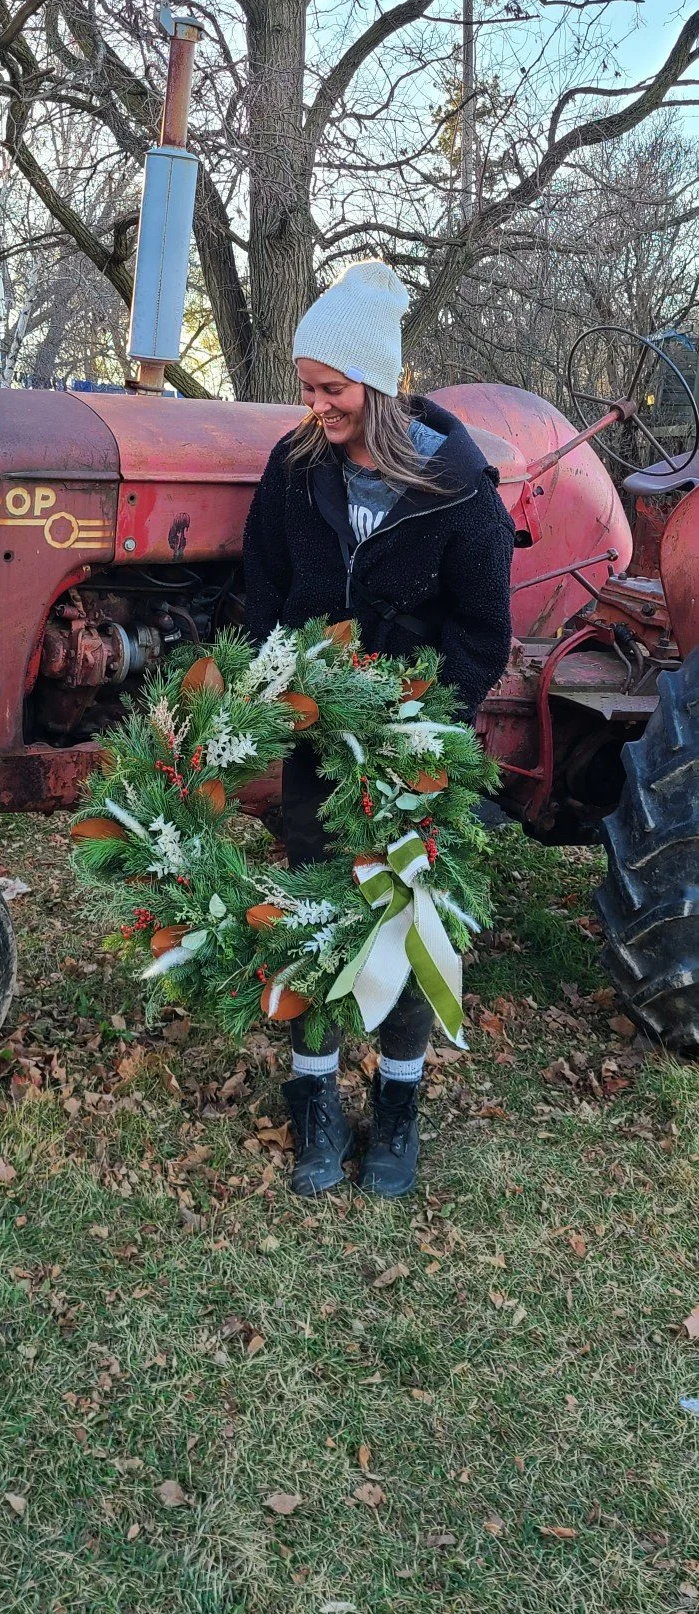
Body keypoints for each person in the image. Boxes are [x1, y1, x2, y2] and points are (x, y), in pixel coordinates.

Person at [243, 259, 514, 1199]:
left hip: (413, 753)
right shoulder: (294, 470)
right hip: (320, 740)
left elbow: (484, 630)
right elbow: (265, 593)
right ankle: (314, 1096)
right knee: (316, 914)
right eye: (306, 388)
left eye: (331, 388)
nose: (315, 405)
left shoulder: (458, 487)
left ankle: (397, 1104)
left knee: (401, 920)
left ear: (381, 381)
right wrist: (275, 688)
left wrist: (426, 726)